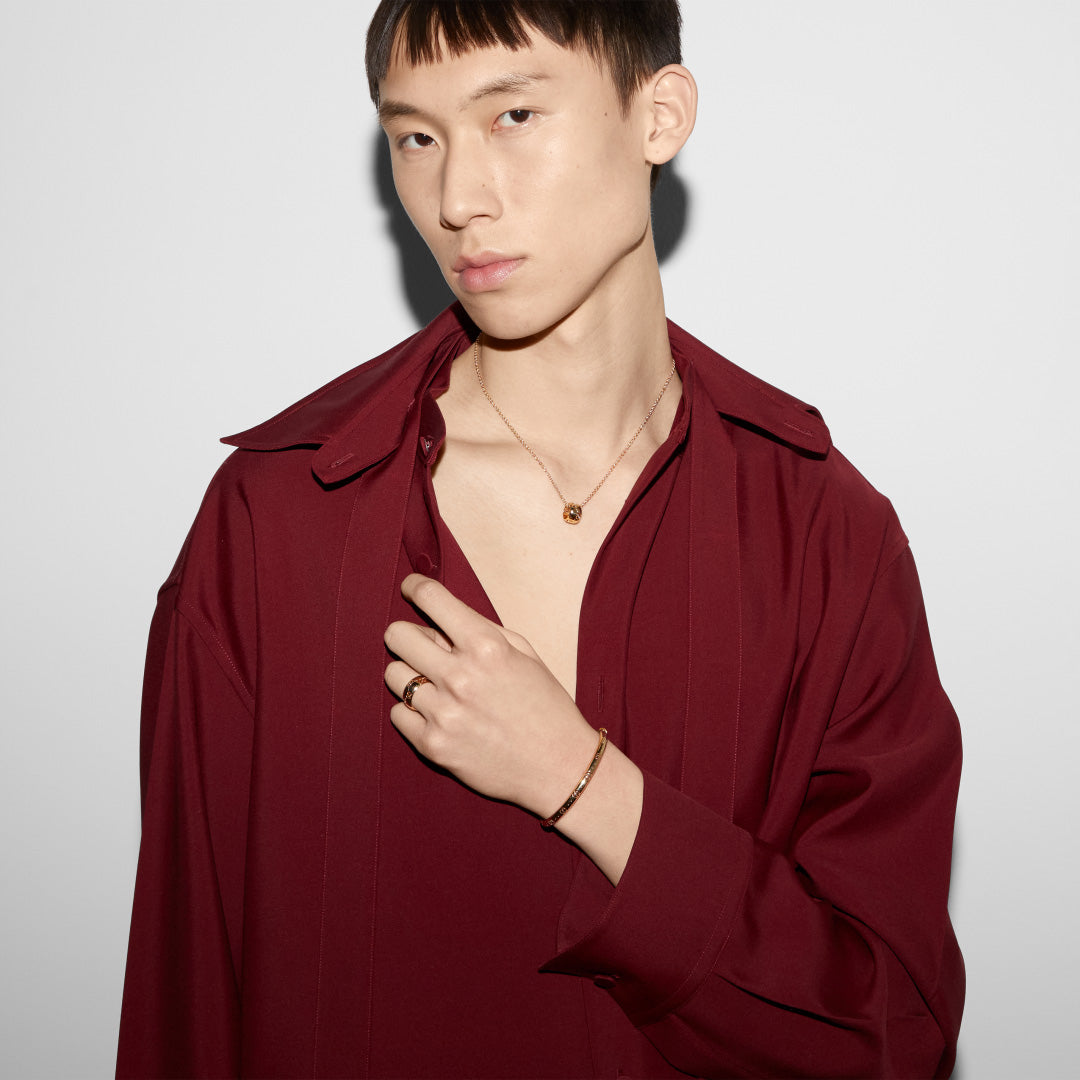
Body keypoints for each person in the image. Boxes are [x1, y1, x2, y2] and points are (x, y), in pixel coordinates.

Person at [117, 1, 964, 1077]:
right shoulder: (277, 521)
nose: (457, 198)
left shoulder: (828, 537)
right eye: (415, 137)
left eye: (512, 113)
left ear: (659, 116)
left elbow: (888, 1035)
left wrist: (583, 783)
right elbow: (184, 1007)